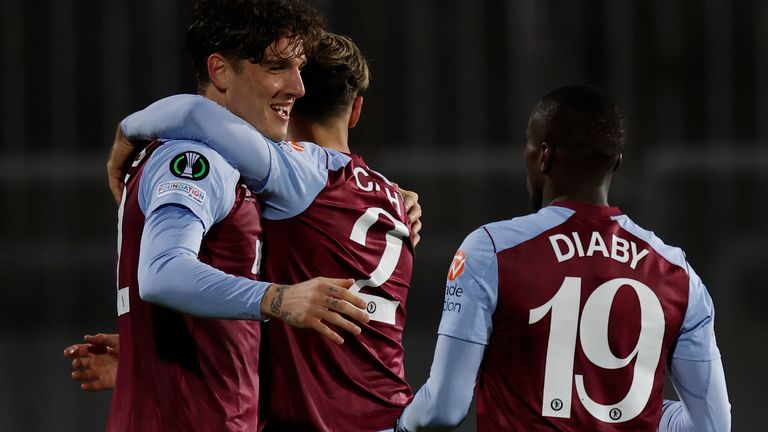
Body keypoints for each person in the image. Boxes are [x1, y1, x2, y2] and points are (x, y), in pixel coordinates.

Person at [107, 31, 418, 432]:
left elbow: (193, 116)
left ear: (293, 98)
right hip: (389, 413)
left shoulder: (296, 173)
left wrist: (124, 134)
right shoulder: (394, 199)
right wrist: (146, 360)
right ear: (356, 110)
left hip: (316, 422)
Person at [395, 86, 731, 431]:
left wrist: (398, 423)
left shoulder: (491, 251)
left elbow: (444, 409)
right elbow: (713, 426)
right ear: (616, 160)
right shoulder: (677, 273)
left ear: (543, 156)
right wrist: (629, 408)